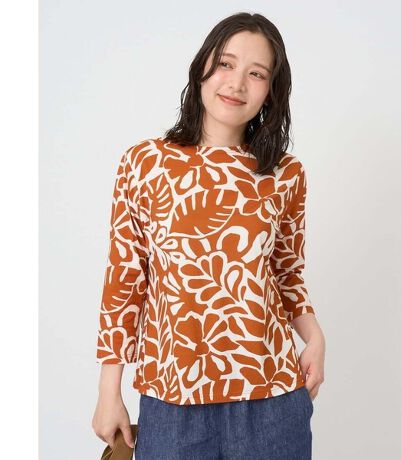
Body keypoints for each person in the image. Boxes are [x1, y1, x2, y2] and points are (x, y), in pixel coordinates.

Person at [92, 11, 326, 460]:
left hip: (272, 398)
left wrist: (314, 337)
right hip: (172, 399)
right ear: (202, 66)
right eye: (225, 64)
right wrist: (109, 389)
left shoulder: (286, 173)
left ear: (272, 90)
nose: (237, 83)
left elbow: (287, 274)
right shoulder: (144, 163)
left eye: (256, 73)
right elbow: (125, 279)